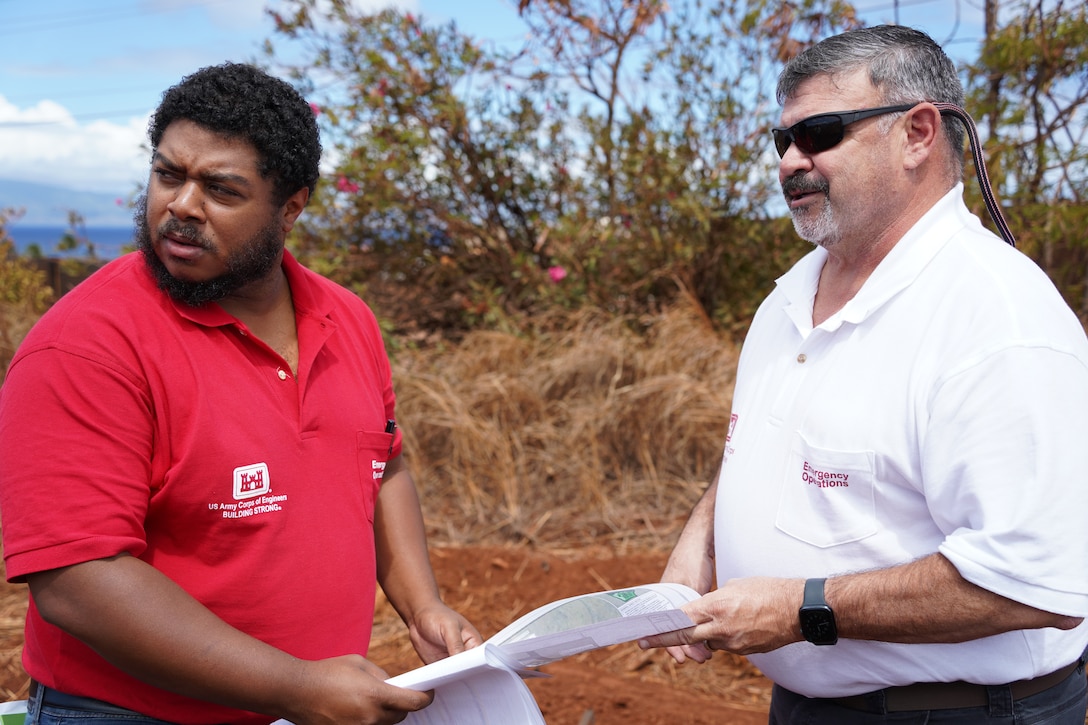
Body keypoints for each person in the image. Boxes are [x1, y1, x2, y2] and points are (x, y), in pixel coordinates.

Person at [0, 62, 482, 725]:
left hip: (304, 705)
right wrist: (295, 685)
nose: (181, 206)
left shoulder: (348, 320)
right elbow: (79, 580)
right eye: (168, 174)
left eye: (220, 189)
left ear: (290, 208)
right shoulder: (87, 344)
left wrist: (422, 605)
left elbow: (383, 461)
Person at [639, 24, 1088, 724]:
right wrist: (701, 540)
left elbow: (1037, 583)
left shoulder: (998, 319)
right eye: (781, 140)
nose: (791, 161)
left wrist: (800, 608)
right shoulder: (787, 299)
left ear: (917, 134)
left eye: (820, 132)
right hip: (810, 704)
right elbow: (766, 442)